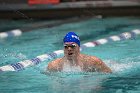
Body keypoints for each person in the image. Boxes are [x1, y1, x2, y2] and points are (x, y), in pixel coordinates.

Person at [47, 32, 112, 73]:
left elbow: (109, 74)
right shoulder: (54, 66)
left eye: (73, 46)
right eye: (66, 46)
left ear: (79, 47)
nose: (69, 49)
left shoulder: (93, 62)